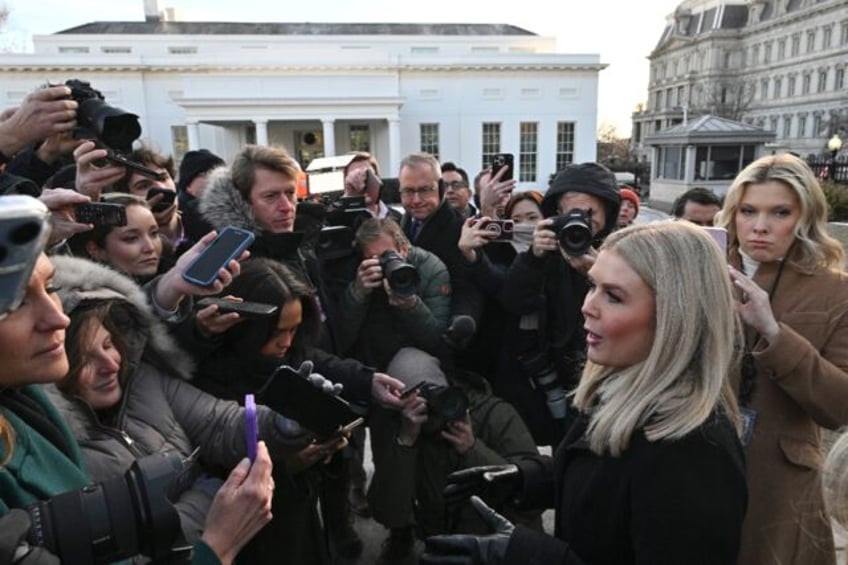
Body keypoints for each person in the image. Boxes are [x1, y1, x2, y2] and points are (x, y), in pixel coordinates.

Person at [421, 221, 748, 564]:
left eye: (614, 296)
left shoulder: (694, 452)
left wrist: (536, 557)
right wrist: (526, 480)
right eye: (593, 285)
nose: (587, 306)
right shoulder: (619, 387)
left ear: (674, 316)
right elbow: (609, 483)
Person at [0, 245, 275, 565]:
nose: (57, 317)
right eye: (17, 302)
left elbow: (223, 423)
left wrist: (292, 423)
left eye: (49, 288)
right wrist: (216, 542)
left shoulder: (29, 403)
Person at [46, 253, 315, 549]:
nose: (111, 364)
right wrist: (208, 499)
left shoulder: (144, 380)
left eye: (109, 344)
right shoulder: (54, 451)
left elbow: (220, 423)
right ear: (51, 368)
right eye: (84, 359)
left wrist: (284, 423)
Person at [193, 258, 404, 564]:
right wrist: (288, 463)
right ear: (245, 325)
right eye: (278, 331)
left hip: (299, 519)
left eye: (294, 330)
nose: (287, 343)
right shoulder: (209, 380)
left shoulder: (284, 353)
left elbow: (310, 358)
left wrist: (367, 380)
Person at [715, 153, 848, 565]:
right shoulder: (706, 271)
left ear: (804, 217)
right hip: (698, 461)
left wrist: (774, 332)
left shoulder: (834, 291)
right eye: (748, 210)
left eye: (780, 212)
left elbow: (839, 406)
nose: (760, 226)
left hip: (780, 479)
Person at [368, 347, 542, 565]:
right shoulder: (403, 428)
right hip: (447, 544)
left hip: (504, 545)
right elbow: (388, 513)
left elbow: (533, 499)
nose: (432, 410)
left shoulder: (494, 416)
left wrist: (473, 449)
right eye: (418, 401)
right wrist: (405, 443)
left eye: (436, 395)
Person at [498, 163, 620, 444]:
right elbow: (513, 301)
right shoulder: (550, 249)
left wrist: (597, 273)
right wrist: (533, 258)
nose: (580, 222)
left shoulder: (624, 250)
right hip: (552, 375)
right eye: (570, 213)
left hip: (604, 376)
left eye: (589, 214)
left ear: (609, 213)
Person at [334, 217, 452, 368]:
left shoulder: (431, 268)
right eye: (372, 259)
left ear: (404, 248)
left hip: (415, 355)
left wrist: (411, 306)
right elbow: (341, 337)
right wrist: (358, 293)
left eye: (387, 255)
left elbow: (438, 341)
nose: (383, 263)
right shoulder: (357, 271)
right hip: (367, 353)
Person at [177, 149, 225, 245]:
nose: (215, 178)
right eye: (207, 174)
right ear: (188, 182)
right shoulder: (177, 215)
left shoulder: (222, 208)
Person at [342, 151, 401, 222]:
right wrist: (350, 198)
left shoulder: (398, 218)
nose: (362, 182)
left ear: (378, 178)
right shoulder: (341, 219)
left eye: (367, 175)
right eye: (354, 177)